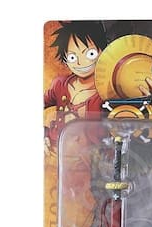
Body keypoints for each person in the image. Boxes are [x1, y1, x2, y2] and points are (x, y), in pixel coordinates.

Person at [44, 21, 107, 152]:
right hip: (57, 153)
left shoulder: (108, 91)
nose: (80, 63)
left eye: (90, 54)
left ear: (103, 51)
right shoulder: (60, 84)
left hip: (92, 157)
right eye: (72, 57)